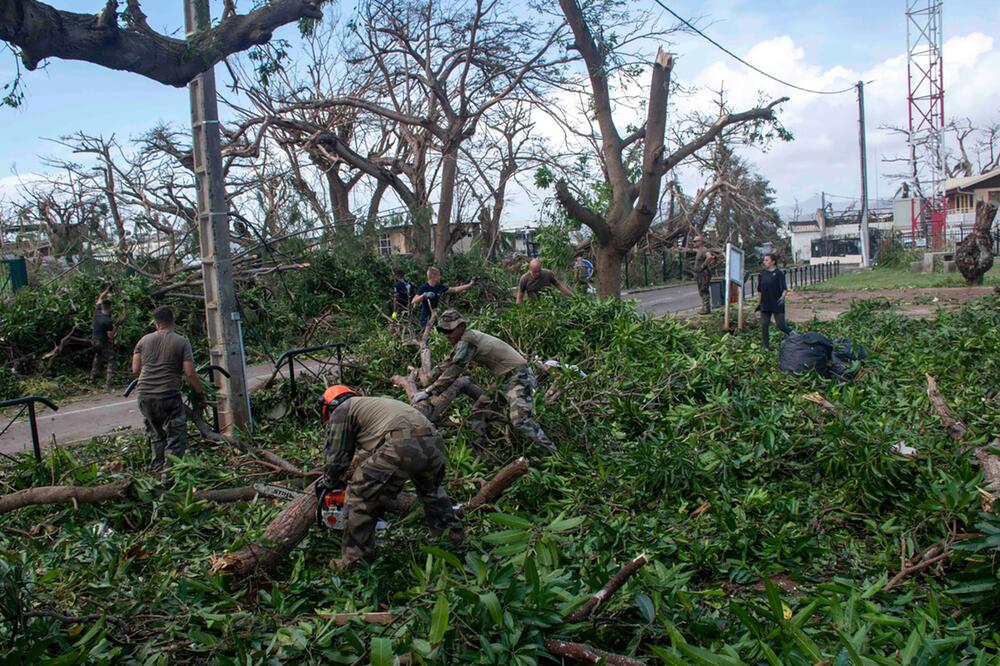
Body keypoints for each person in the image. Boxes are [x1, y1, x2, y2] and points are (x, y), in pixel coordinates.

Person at [318, 385, 463, 570]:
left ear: (328, 406)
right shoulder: (371, 404)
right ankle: (453, 541)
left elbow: (337, 457)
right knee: (431, 492)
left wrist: (329, 482)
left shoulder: (342, 410)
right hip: (433, 440)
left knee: (358, 494)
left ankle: (355, 561)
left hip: (402, 443)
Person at [413, 310, 555, 455]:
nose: (448, 335)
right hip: (503, 379)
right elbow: (447, 363)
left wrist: (428, 392)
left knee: (520, 420)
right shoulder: (463, 341)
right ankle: (479, 455)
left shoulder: (469, 340)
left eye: (450, 331)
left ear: (461, 326)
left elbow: (454, 371)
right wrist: (428, 379)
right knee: (479, 412)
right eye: (444, 332)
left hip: (518, 376)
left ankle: (552, 453)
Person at [131, 306, 205, 473]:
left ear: (157, 324)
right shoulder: (181, 341)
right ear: (173, 321)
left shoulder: (143, 341)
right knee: (175, 438)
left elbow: (135, 370)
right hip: (168, 396)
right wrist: (200, 393)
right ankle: (170, 477)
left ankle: (158, 473)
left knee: (156, 436)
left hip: (144, 396)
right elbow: (190, 373)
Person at [411, 266, 474, 332]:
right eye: (438, 275)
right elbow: (413, 301)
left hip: (434, 314)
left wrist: (470, 284)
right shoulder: (424, 287)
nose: (439, 277)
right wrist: (424, 295)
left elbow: (455, 289)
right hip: (426, 315)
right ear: (433, 276)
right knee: (426, 333)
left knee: (436, 333)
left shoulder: (439, 286)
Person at [757, 253, 793, 350]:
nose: (765, 262)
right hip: (765, 304)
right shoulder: (762, 274)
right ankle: (766, 347)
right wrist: (759, 303)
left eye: (767, 260)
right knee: (764, 326)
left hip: (776, 303)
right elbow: (759, 290)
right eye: (764, 260)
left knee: (781, 325)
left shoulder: (779, 274)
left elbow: (784, 289)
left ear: (773, 262)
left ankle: (795, 336)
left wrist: (782, 298)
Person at [90, 286, 115, 389]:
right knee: (111, 359)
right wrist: (114, 330)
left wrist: (107, 289)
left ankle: (92, 379)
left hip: (93, 341)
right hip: (102, 342)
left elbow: (101, 297)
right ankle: (109, 383)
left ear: (102, 307)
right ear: (109, 307)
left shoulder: (97, 313)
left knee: (98, 357)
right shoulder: (108, 321)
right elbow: (110, 336)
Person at [692, 235, 717, 315]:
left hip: (704, 273)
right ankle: (704, 307)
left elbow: (709, 257)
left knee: (704, 290)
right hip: (699, 274)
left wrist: (703, 266)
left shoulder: (704, 250)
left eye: (695, 241)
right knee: (701, 291)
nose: (694, 243)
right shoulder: (699, 251)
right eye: (694, 241)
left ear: (700, 242)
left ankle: (706, 309)